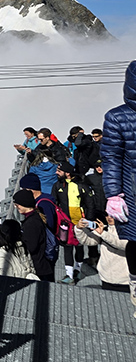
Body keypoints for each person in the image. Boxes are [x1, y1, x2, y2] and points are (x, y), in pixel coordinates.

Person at [101, 60, 136, 317]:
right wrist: (113, 194)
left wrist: (114, 193)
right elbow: (111, 157)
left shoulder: (115, 117)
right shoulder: (116, 117)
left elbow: (112, 157)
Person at [52, 162, 99, 283]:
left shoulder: (81, 185)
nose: (57, 173)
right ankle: (69, 275)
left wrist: (88, 221)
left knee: (79, 246)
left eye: (59, 171)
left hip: (80, 223)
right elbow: (54, 204)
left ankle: (77, 270)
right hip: (65, 223)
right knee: (67, 246)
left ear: (67, 173)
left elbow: (90, 204)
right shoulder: (57, 186)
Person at [75, 216, 130, 291]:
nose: (109, 217)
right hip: (106, 277)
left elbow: (124, 245)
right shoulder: (105, 228)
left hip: (125, 281)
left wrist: (103, 234)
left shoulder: (129, 231)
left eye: (113, 215)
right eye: (108, 214)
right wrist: (79, 229)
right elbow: (87, 240)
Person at [15, 189, 55, 281]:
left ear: (24, 204)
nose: (16, 207)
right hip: (43, 267)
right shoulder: (35, 217)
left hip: (38, 269)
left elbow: (31, 247)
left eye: (17, 205)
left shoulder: (32, 223)